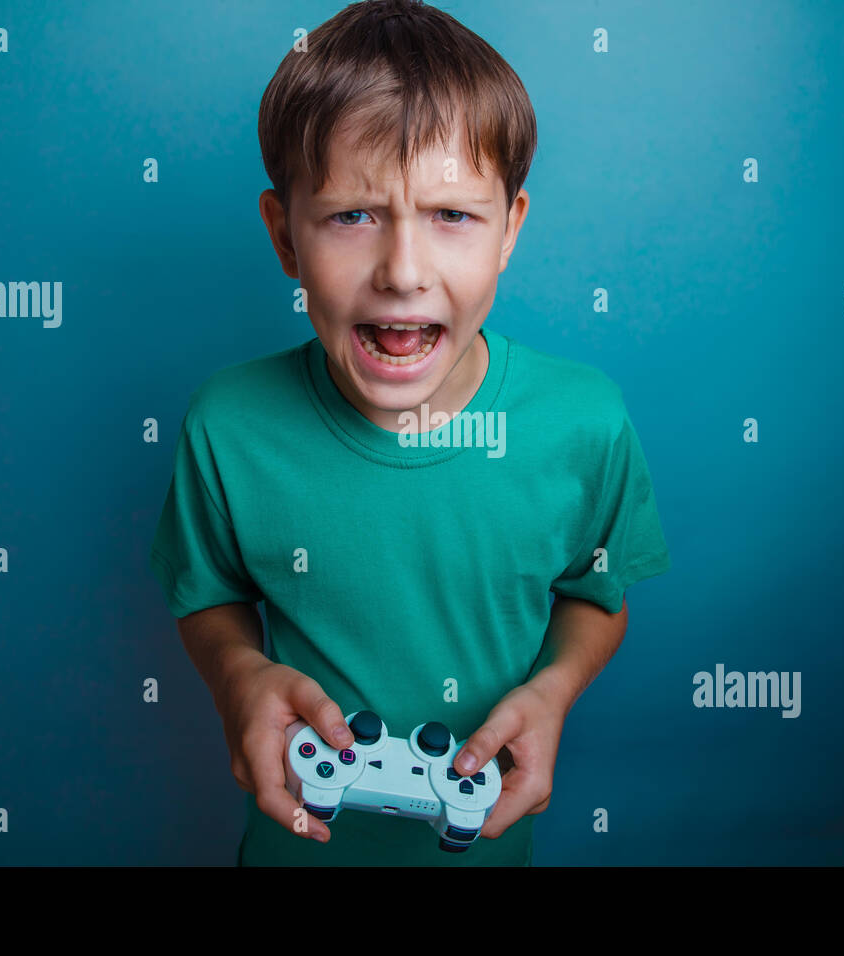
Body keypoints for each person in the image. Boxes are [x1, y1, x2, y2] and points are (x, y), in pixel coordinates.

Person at [149, 0, 670, 866]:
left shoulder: (585, 424)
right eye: (353, 216)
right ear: (284, 236)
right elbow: (207, 594)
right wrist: (237, 676)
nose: (402, 272)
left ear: (511, 229)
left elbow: (596, 595)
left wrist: (555, 691)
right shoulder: (228, 425)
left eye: (453, 216)